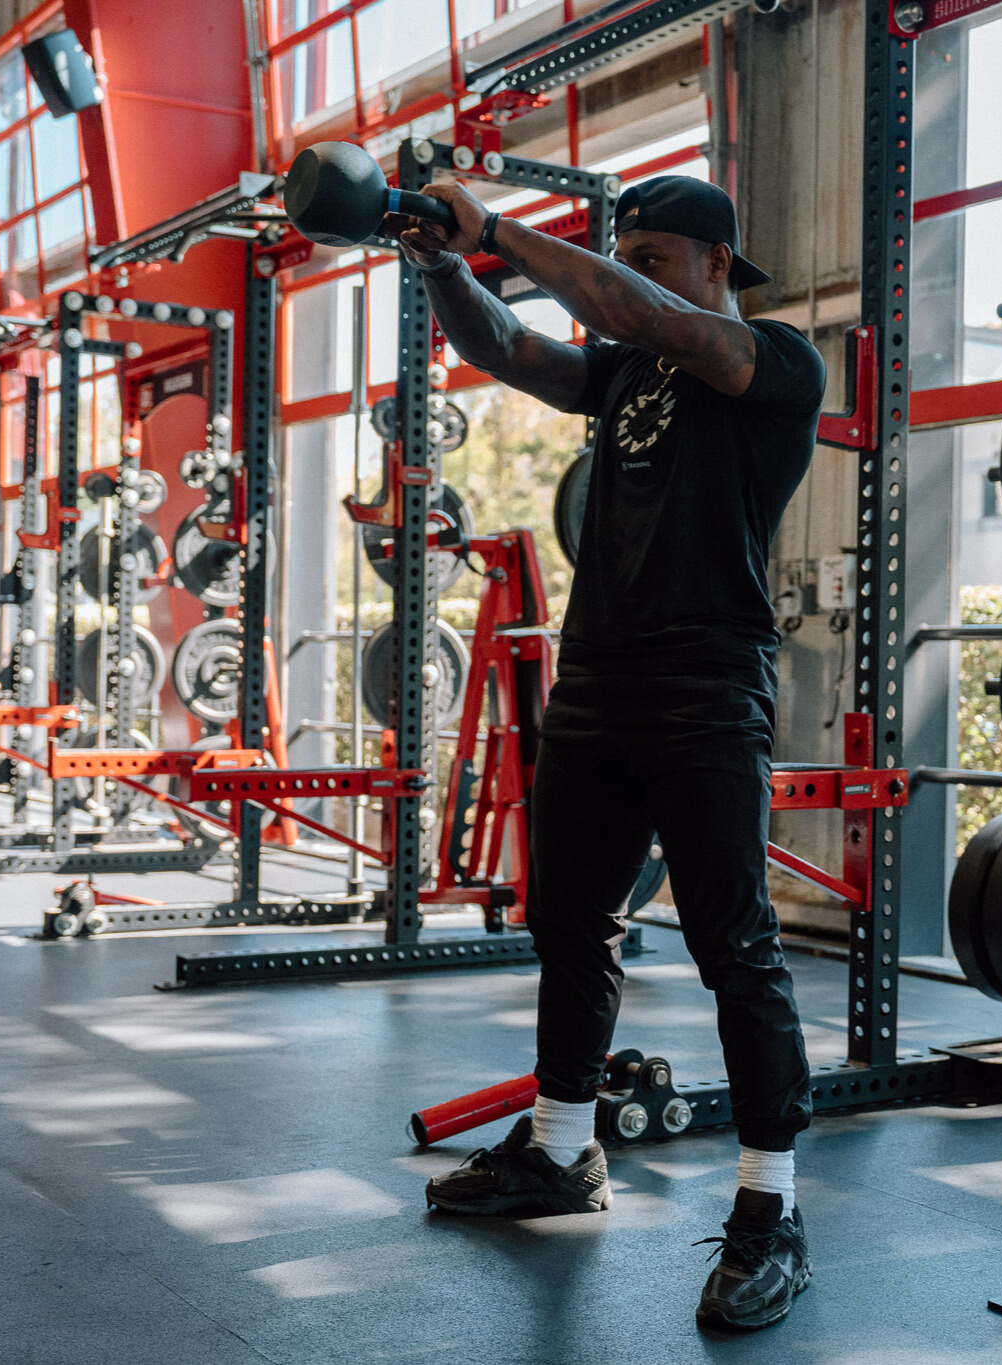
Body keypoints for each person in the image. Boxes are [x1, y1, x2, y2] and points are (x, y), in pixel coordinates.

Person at [394, 174, 825, 1332]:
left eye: (654, 255)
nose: (631, 274)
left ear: (719, 265)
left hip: (705, 686)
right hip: (596, 682)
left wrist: (499, 229)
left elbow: (636, 314)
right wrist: (445, 263)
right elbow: (510, 351)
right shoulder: (628, 371)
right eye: (624, 253)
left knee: (735, 946)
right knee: (570, 924)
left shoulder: (774, 362)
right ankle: (559, 1150)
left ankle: (773, 1210)